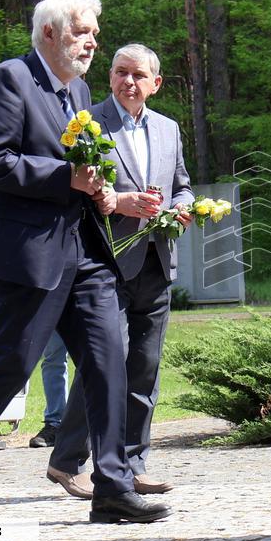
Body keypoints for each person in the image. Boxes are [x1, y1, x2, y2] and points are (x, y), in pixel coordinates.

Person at [0, 0, 171, 525]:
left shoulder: (78, 95)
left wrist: (105, 193)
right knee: (12, 366)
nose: (92, 44)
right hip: (26, 253)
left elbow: (83, 174)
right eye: (83, 32)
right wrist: (66, 176)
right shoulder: (12, 78)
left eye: (95, 34)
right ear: (50, 32)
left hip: (86, 250)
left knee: (108, 360)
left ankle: (113, 487)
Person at [47, 44, 194, 500]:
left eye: (138, 75)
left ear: (156, 83)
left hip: (155, 259)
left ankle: (132, 464)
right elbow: (72, 187)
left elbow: (182, 185)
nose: (129, 82)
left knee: (143, 367)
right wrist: (119, 202)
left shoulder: (169, 129)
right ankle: (68, 460)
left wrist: (182, 209)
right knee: (105, 364)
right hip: (102, 262)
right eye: (120, 73)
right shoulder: (86, 123)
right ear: (110, 77)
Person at [30, 331, 69, 448]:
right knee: (53, 358)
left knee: (92, 358)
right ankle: (55, 424)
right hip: (56, 312)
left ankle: (89, 427)